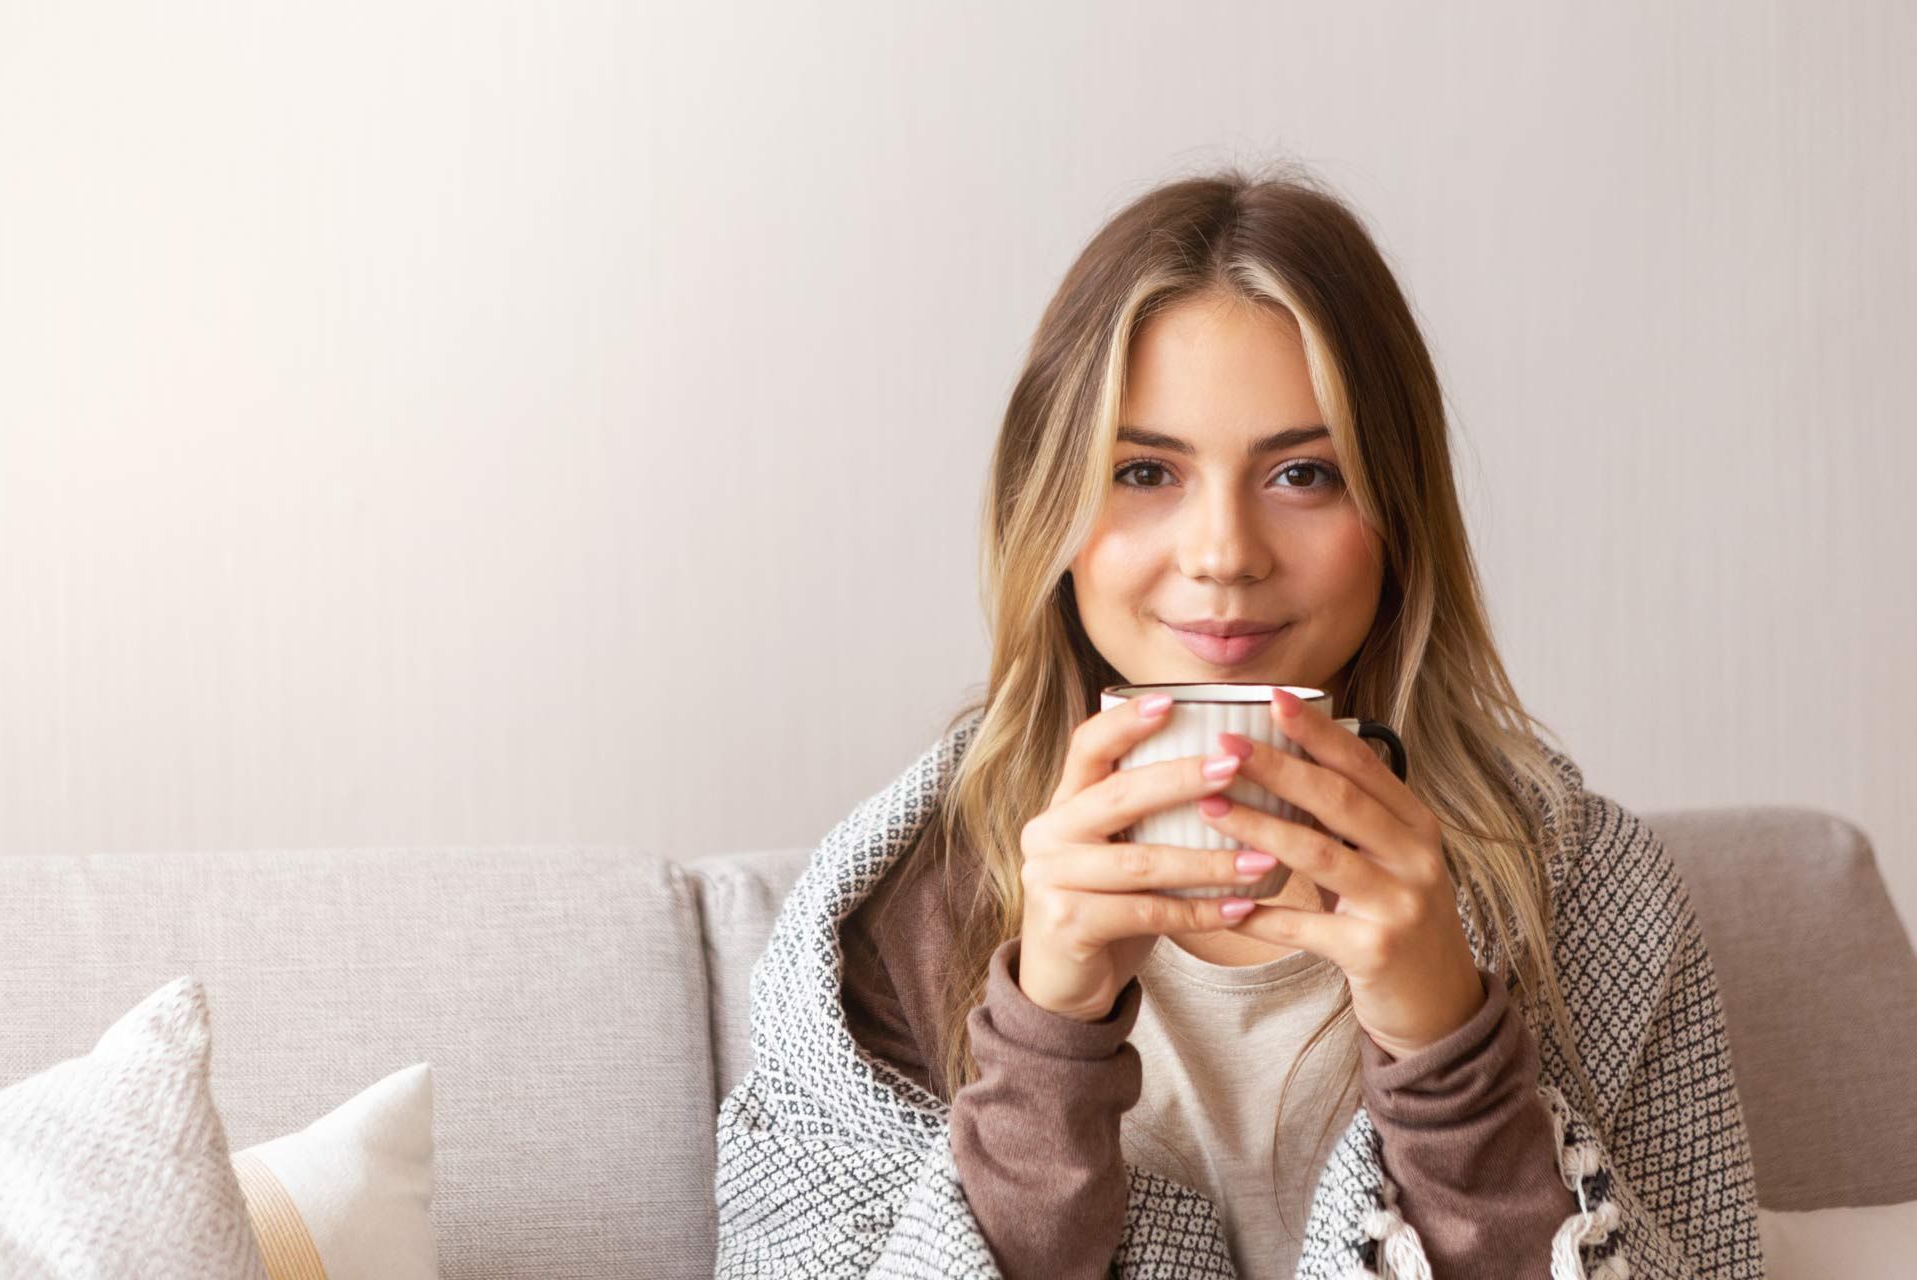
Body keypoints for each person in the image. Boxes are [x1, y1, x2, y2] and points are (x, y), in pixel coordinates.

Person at [714, 163, 1765, 1279]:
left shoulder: (1590, 892)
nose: (1223, 552)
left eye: (1303, 472)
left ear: (1397, 513)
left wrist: (1450, 1050)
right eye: (1144, 470)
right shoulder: (892, 908)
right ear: (1050, 508)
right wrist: (1045, 1037)